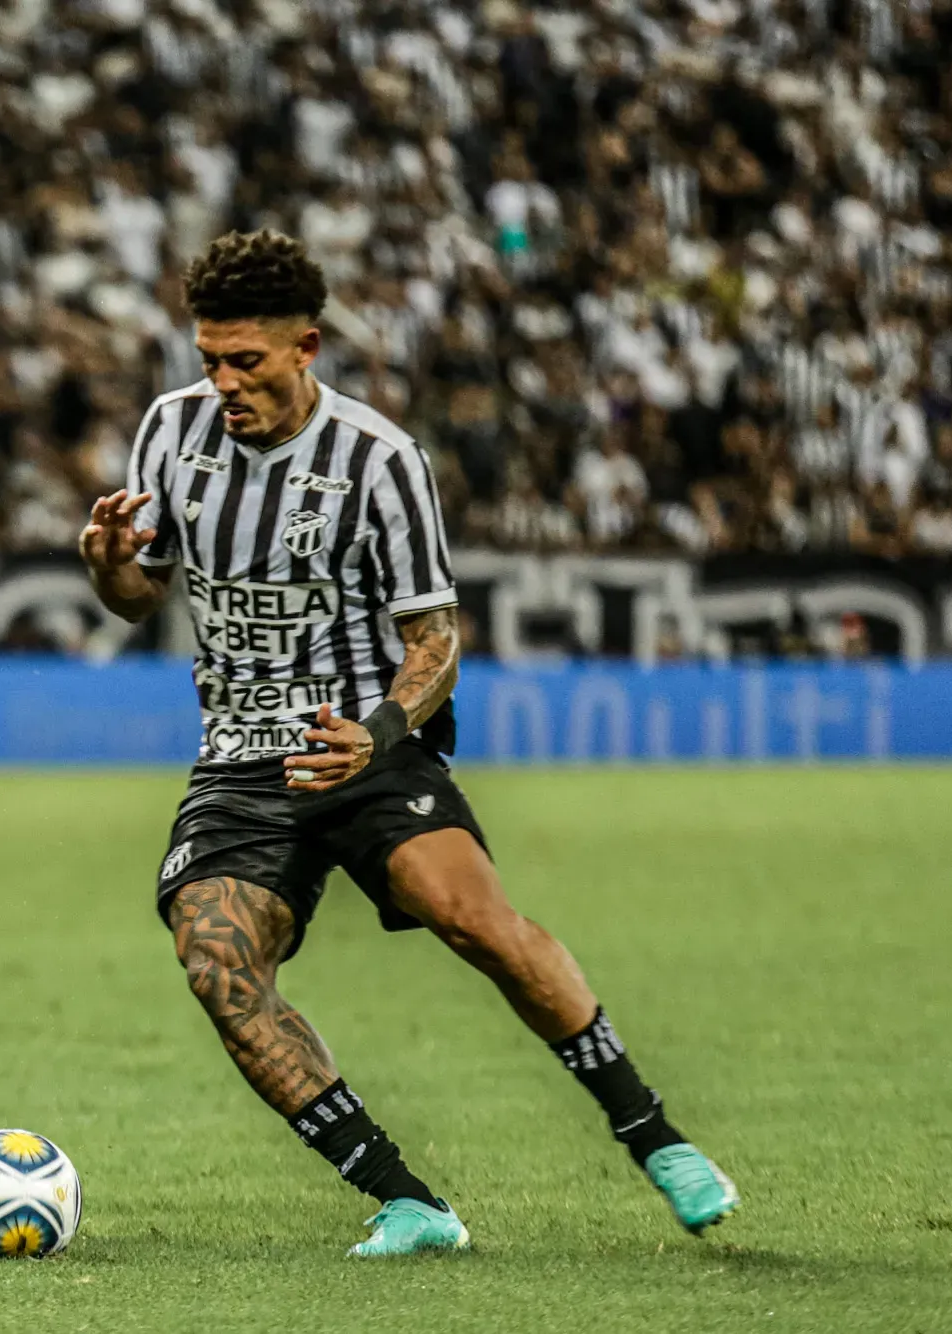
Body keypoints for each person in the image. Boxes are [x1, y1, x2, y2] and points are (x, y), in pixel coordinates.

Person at [78, 229, 736, 1257]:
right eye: (206, 357)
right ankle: (405, 1197)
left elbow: (434, 639)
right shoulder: (168, 432)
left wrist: (377, 731)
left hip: (367, 743)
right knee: (213, 957)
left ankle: (649, 1131)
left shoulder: (377, 460)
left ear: (306, 346)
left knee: (472, 920)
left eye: (243, 360)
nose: (221, 382)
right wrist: (111, 563)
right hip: (240, 756)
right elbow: (134, 598)